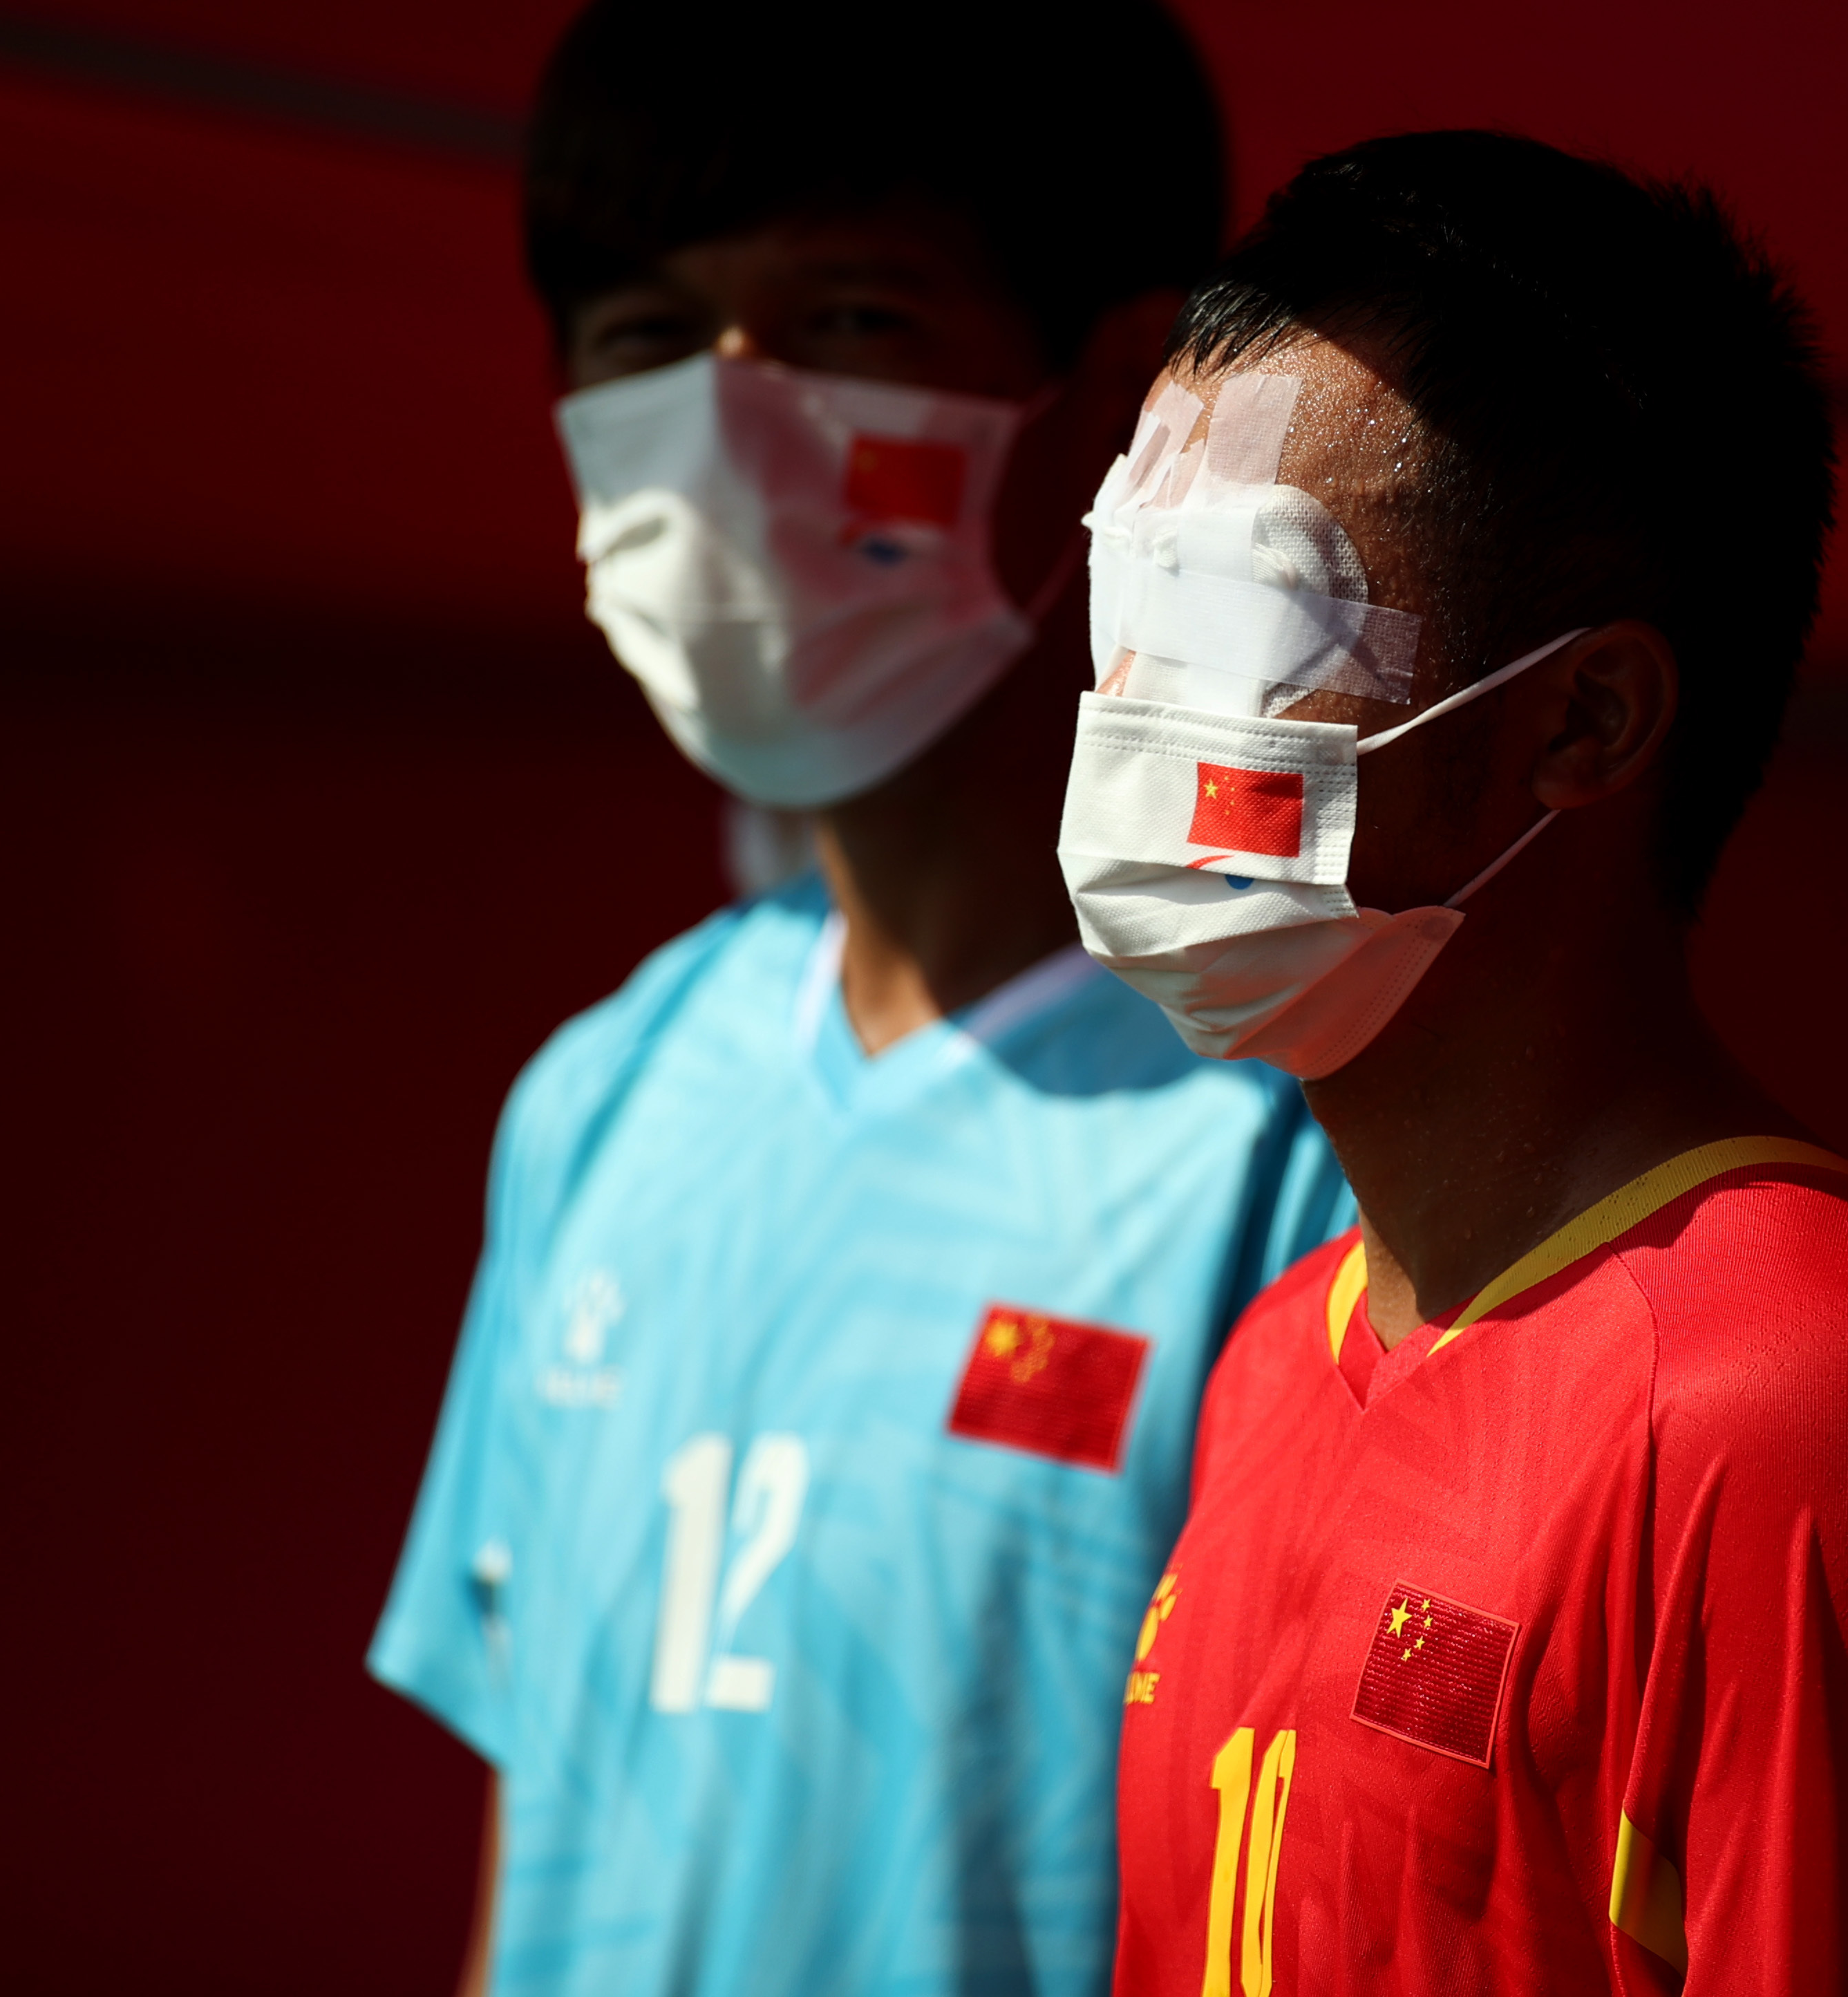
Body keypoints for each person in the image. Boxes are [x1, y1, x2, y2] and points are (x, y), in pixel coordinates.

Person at [1063, 133, 1848, 1991]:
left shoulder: (1805, 1415)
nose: (1135, 711)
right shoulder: (1273, 1364)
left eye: (1239, 621)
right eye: (1126, 608)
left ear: (1585, 716)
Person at [367, 7, 1350, 1994]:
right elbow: (535, 1864)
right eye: (646, 337)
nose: (729, 426)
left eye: (849, 319)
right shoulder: (598, 1101)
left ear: (1136, 391)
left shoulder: (1309, 1137)